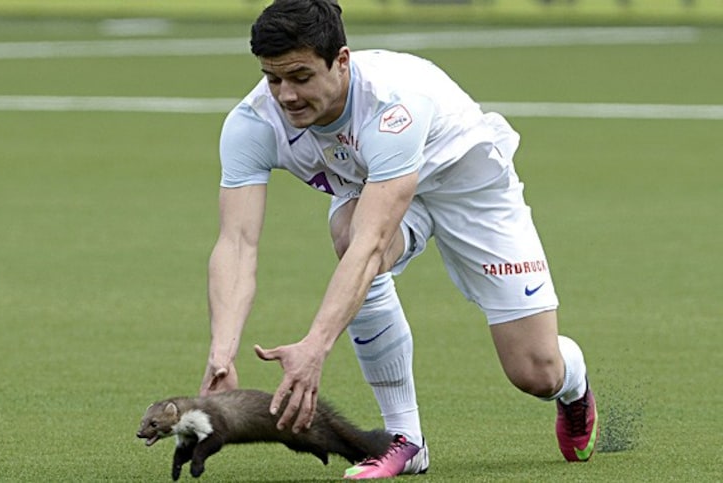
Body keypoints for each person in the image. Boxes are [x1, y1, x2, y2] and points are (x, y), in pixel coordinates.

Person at [199, 0, 598, 478]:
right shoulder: (253, 124)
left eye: (301, 77)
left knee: (536, 373)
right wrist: (222, 352)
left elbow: (373, 243)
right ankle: (405, 439)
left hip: (468, 188)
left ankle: (573, 386)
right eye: (273, 78)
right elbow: (237, 243)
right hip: (378, 192)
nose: (286, 95)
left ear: (342, 61)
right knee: (346, 234)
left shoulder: (392, 107)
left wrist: (315, 348)